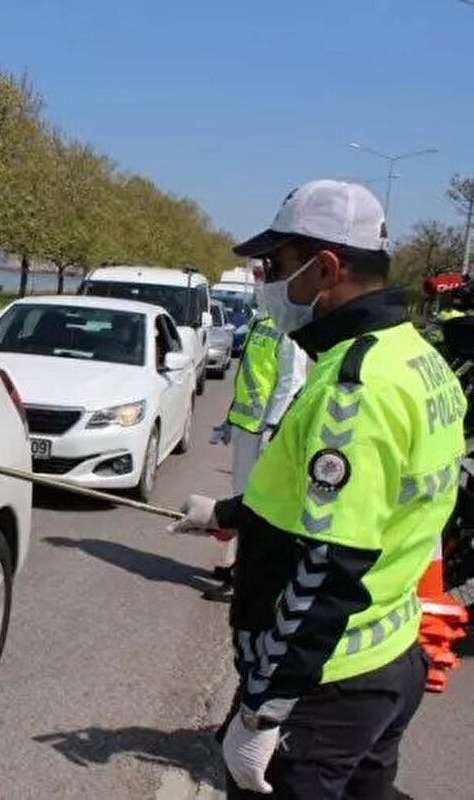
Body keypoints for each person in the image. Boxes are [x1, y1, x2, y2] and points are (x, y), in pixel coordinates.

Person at [169, 179, 465, 798]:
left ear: (326, 268)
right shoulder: (415, 357)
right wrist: (229, 513)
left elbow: (328, 565)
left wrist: (264, 710)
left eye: (275, 266)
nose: (265, 282)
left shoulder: (353, 389)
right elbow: (364, 506)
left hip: (326, 680)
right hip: (388, 656)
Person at [205, 306, 307, 602]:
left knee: (253, 506)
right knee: (243, 501)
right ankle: (240, 567)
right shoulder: (260, 320)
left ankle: (244, 580)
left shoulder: (287, 327)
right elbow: (249, 378)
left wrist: (272, 427)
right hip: (246, 427)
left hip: (262, 430)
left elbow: (291, 381)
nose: (261, 285)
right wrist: (229, 420)